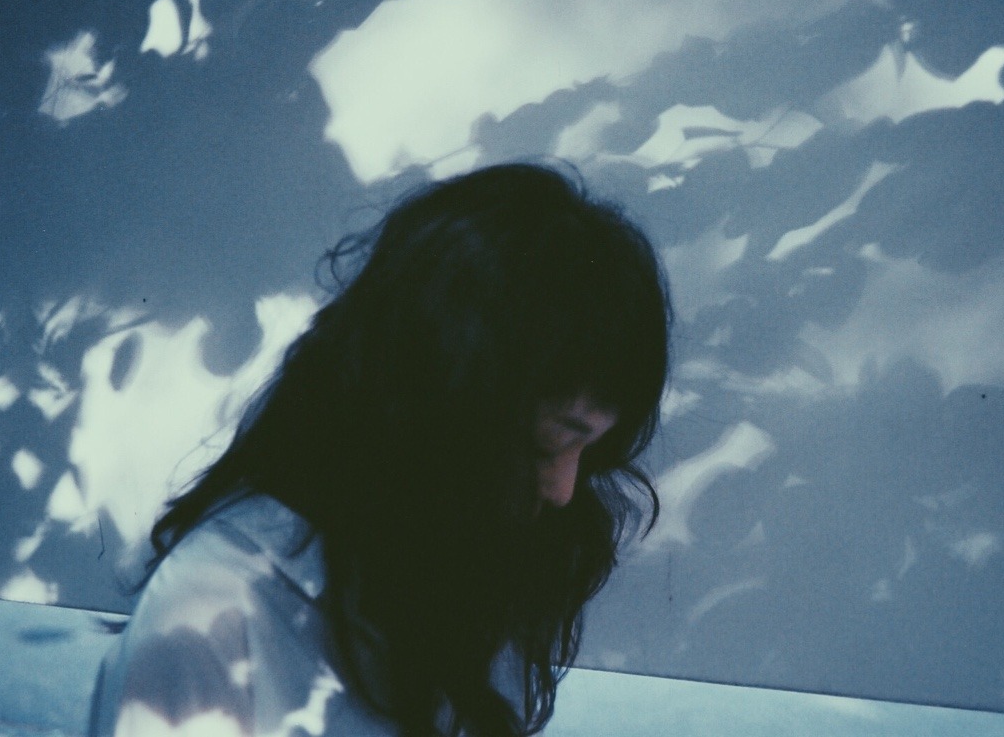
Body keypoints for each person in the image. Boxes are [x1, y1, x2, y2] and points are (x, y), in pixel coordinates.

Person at [88, 163, 672, 737]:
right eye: (547, 446)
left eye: (590, 454)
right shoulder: (215, 617)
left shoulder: (472, 574)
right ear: (440, 410)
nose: (564, 491)